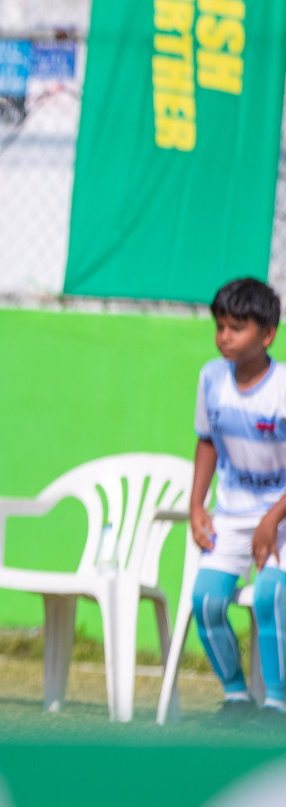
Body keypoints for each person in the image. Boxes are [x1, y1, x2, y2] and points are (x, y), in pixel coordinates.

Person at [188, 278, 286, 723]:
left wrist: (272, 519)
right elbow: (206, 442)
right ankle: (235, 697)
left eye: (236, 328)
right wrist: (197, 505)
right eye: (220, 326)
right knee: (205, 602)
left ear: (267, 334)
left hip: (281, 515)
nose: (224, 337)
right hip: (231, 513)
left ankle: (276, 704)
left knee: (270, 597)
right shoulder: (211, 377)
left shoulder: (282, 386)